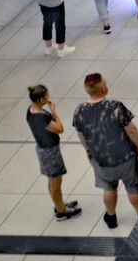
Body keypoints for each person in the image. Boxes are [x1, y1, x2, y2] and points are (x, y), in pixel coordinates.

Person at [72, 73, 138, 230]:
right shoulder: (116, 107)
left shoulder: (79, 111)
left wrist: (88, 151)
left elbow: (81, 135)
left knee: (109, 187)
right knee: (132, 186)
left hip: (101, 159)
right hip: (125, 157)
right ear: (104, 89)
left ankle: (111, 217)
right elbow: (131, 129)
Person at [26, 85, 82, 221]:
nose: (48, 98)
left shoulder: (30, 110)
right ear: (40, 99)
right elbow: (60, 128)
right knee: (56, 182)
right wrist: (53, 111)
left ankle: (59, 205)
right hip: (50, 152)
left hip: (43, 149)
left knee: (53, 180)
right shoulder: (41, 117)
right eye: (46, 96)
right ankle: (61, 212)